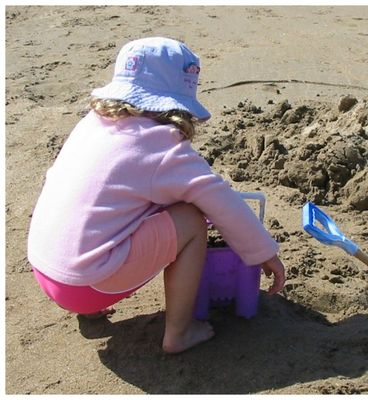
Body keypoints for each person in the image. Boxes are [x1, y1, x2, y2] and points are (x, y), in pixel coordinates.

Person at [27, 37, 286, 354]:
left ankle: (90, 312)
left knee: (115, 210)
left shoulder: (91, 124)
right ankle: (179, 333)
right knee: (191, 219)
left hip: (46, 271)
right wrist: (263, 253)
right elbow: (221, 201)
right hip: (87, 283)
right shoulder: (163, 145)